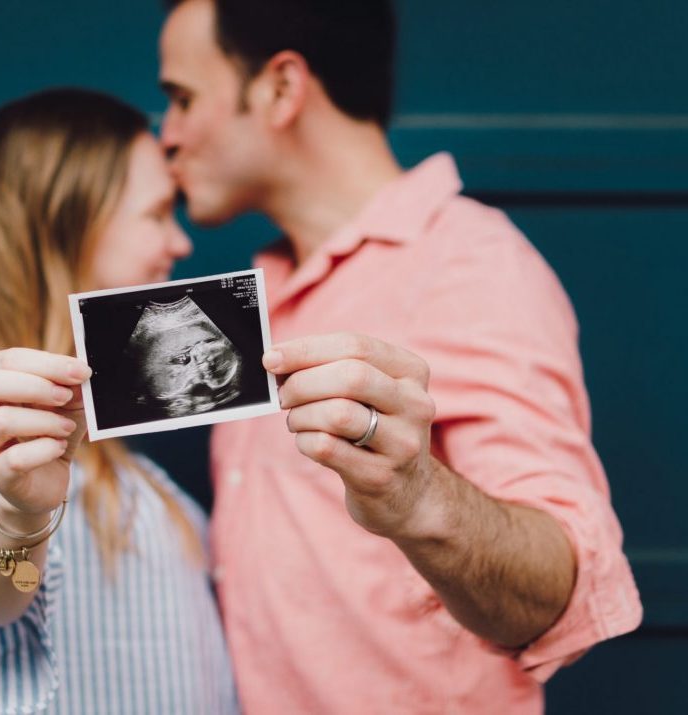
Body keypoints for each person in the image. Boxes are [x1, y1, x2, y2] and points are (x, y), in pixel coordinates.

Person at [156, 0, 642, 713]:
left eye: (182, 98)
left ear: (282, 89)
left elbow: (559, 593)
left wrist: (417, 495)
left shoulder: (468, 264)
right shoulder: (257, 297)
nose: (166, 136)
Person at [0, 88, 238, 714]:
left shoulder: (100, 440)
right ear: (63, 225)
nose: (179, 244)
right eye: (155, 214)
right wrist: (15, 513)